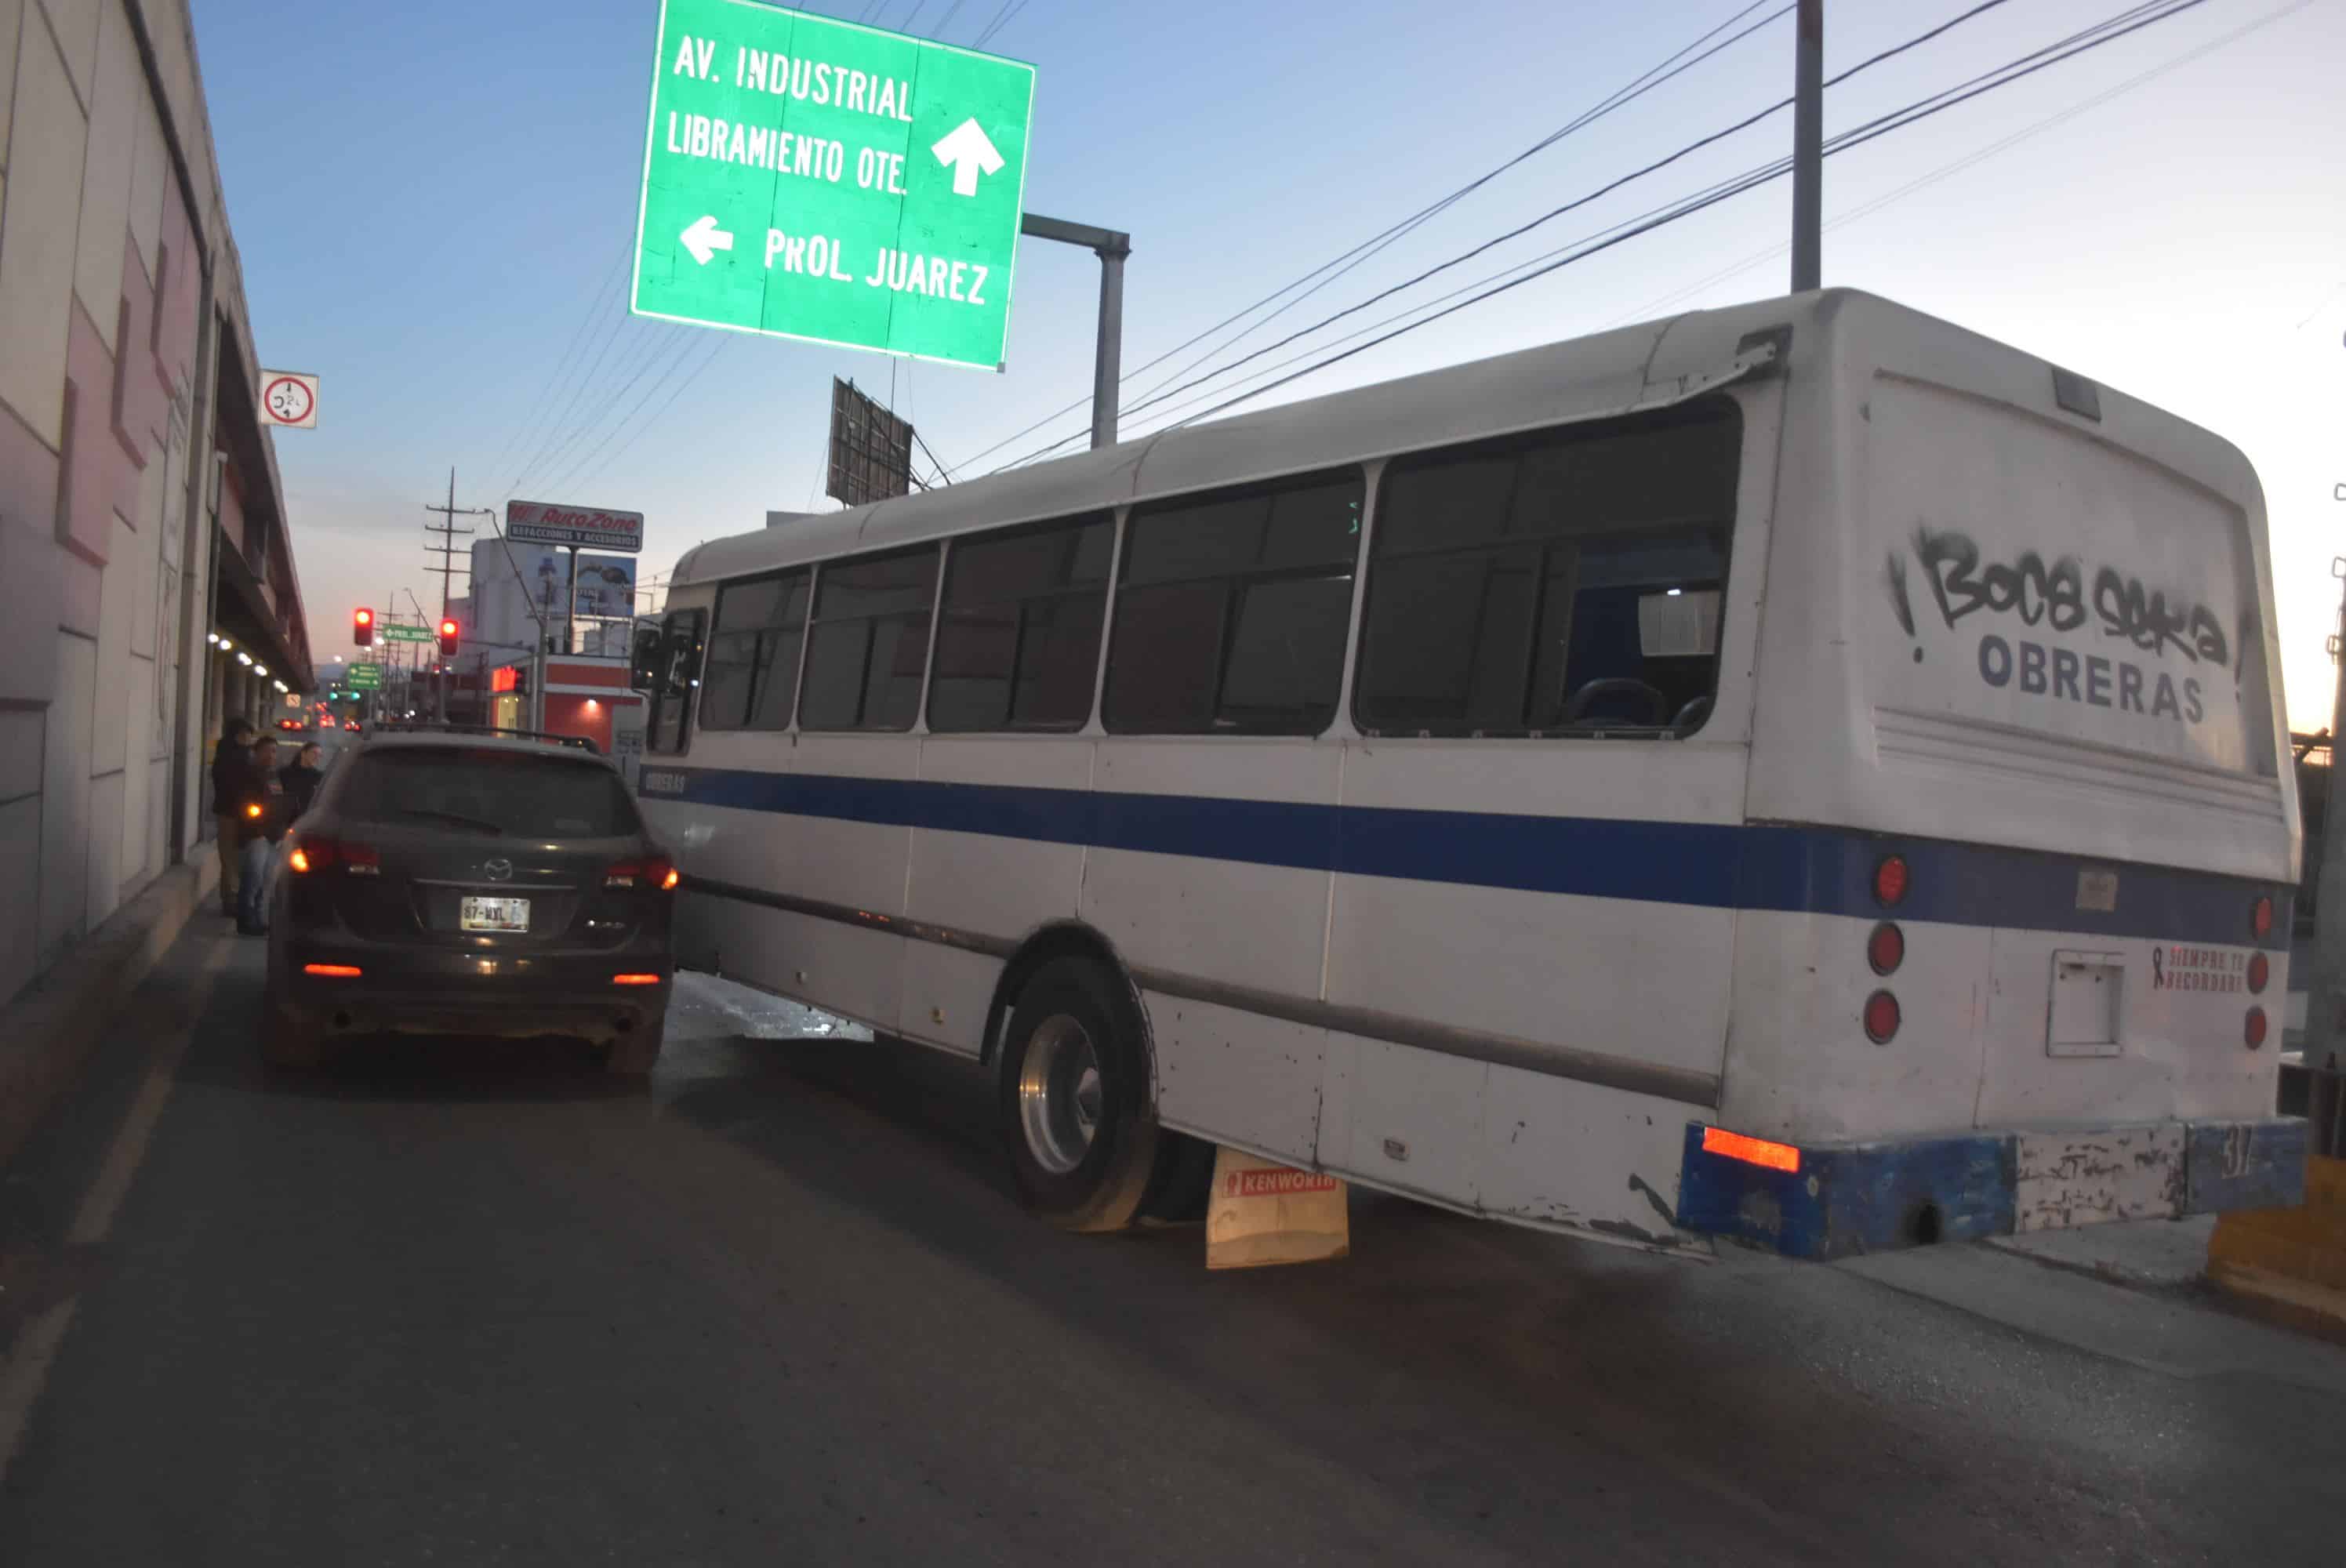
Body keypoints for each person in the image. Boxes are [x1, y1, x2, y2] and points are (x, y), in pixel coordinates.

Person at [234, 737, 289, 936]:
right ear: (256, 752)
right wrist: (257, 827)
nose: (271, 755)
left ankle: (258, 918)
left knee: (265, 881)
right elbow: (244, 806)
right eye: (267, 751)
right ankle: (245, 920)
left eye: (274, 751)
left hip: (273, 835)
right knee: (252, 879)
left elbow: (279, 802)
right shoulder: (248, 775)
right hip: (256, 835)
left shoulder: (273, 775)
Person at [211, 719, 257, 916]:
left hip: (229, 811)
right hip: (233, 812)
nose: (248, 738)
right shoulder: (238, 757)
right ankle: (232, 899)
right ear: (238, 735)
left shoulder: (225, 753)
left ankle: (229, 899)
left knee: (229, 856)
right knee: (232, 857)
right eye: (246, 734)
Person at [282, 741, 325, 820]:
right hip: (286, 816)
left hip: (306, 817)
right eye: (314, 753)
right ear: (303, 754)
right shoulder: (284, 772)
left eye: (319, 755)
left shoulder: (319, 776)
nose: (317, 757)